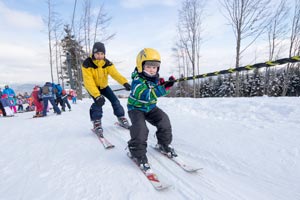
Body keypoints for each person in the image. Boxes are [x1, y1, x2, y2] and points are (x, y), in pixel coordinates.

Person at [127, 48, 177, 170]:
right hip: (136, 108)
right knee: (141, 129)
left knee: (164, 120)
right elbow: (146, 95)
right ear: (141, 66)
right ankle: (137, 153)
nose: (152, 69)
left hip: (150, 107)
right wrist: (163, 88)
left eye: (155, 67)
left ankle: (163, 144)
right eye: (149, 66)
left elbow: (157, 91)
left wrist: (165, 84)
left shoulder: (154, 79)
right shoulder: (137, 81)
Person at [81, 42, 131, 135]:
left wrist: (125, 82)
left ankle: (121, 117)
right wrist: (97, 95)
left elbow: (115, 74)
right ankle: (96, 122)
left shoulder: (107, 63)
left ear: (104, 54)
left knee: (115, 100)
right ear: (93, 53)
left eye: (102, 54)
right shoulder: (87, 64)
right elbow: (88, 81)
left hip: (104, 86)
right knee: (98, 102)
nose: (100, 56)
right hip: (93, 87)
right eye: (97, 53)